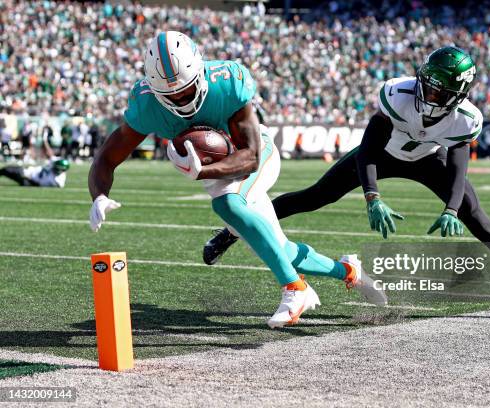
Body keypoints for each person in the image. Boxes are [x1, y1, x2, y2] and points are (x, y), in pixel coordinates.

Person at [204, 46, 490, 318]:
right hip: (382, 153)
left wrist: (452, 209)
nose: (429, 94)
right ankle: (230, 232)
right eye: (428, 84)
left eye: (440, 91)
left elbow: (459, 162)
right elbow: (368, 149)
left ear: (459, 95)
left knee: (479, 219)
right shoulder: (398, 93)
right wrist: (372, 197)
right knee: (313, 197)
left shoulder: (466, 119)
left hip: (429, 160)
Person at [87, 31, 386, 329]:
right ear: (155, 92)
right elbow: (106, 157)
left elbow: (252, 155)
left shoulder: (227, 82)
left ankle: (296, 289)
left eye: (186, 90)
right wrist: (99, 195)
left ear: (201, 74)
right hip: (215, 172)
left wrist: (203, 172)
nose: (180, 98)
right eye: (170, 95)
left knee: (228, 204)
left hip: (255, 153)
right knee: (278, 249)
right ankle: (348, 270)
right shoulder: (146, 105)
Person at [0, 158, 70, 187]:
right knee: (5, 170)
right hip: (28, 172)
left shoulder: (57, 181)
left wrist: (29, 178)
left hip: (29, 179)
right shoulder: (54, 167)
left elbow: (39, 183)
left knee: (6, 170)